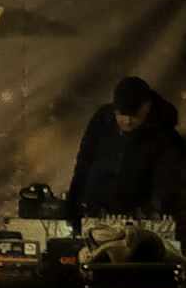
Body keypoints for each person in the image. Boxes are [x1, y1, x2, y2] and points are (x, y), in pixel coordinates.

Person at [67, 76, 184, 225]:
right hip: (94, 214)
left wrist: (152, 213)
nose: (127, 121)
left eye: (134, 115)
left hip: (138, 220)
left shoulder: (165, 138)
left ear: (148, 106)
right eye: (122, 114)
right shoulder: (103, 121)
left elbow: (166, 184)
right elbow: (83, 162)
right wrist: (72, 203)